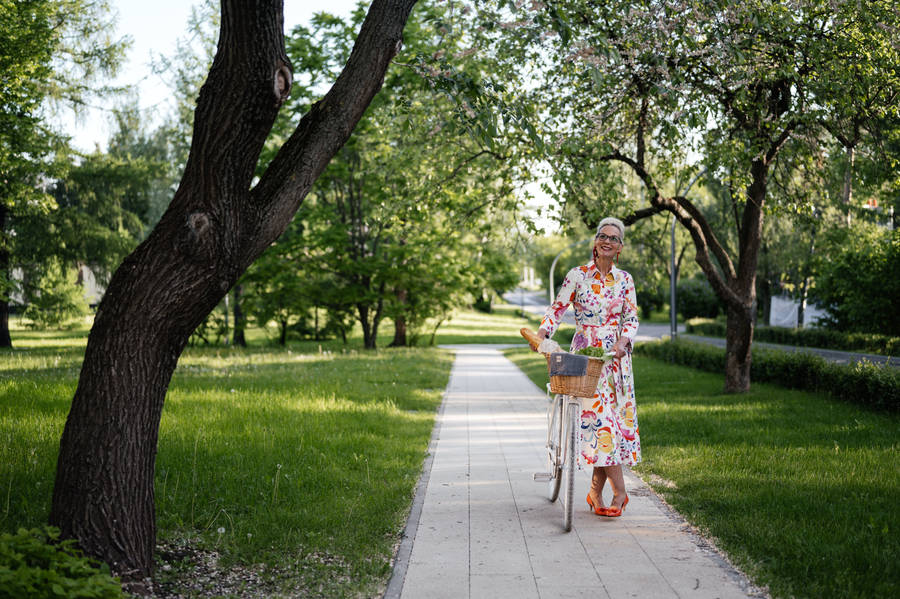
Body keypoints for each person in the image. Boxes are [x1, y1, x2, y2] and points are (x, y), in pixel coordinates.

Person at [532, 217, 640, 517]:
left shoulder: (625, 280)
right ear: (595, 241)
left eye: (614, 238)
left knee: (613, 428)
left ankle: (594, 492)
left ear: (620, 247)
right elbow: (557, 310)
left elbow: (631, 319)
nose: (607, 240)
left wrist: (623, 341)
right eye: (602, 235)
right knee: (600, 424)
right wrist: (542, 335)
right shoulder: (577, 276)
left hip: (616, 361)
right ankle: (620, 493)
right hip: (586, 356)